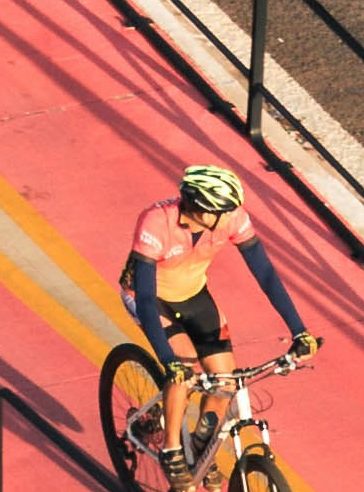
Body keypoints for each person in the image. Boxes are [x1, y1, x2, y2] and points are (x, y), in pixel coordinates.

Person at [122, 161, 318, 414]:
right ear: (205, 213)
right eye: (226, 211)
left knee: (225, 380)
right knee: (185, 366)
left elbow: (266, 274)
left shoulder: (234, 219)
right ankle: (171, 449)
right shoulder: (156, 222)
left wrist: (299, 330)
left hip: (192, 294)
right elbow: (146, 298)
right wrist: (168, 360)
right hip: (150, 298)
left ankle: (202, 445)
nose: (234, 215)